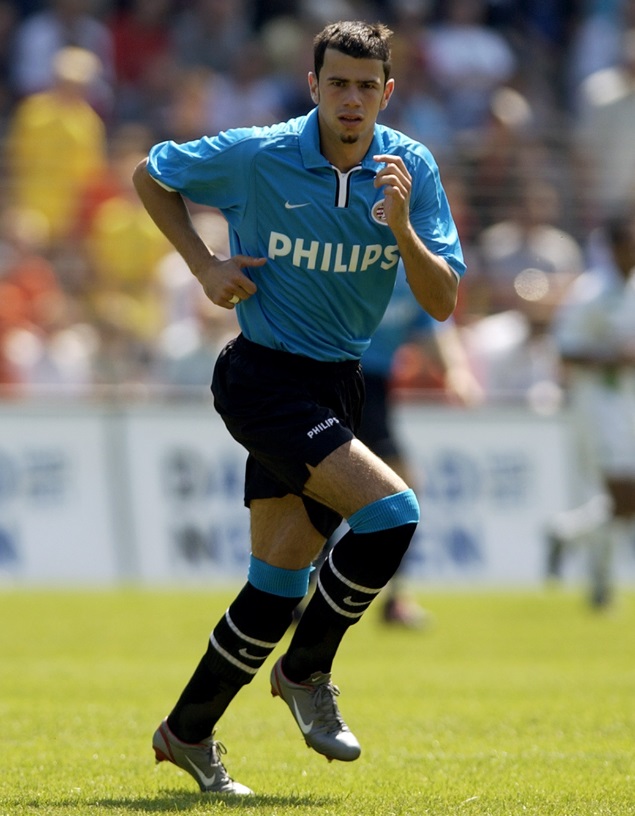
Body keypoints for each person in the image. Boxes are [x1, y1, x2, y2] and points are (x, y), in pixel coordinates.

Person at [133, 20, 465, 796]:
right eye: (336, 83)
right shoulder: (260, 154)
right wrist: (202, 264)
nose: (350, 99)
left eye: (365, 87)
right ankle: (306, 673)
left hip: (338, 383)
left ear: (387, 93)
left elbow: (442, 300)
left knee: (277, 585)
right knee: (392, 514)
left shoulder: (409, 168)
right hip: (262, 377)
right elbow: (152, 173)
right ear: (311, 86)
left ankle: (186, 734)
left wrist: (401, 227)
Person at [548, 214, 635, 607]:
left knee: (619, 499)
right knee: (619, 494)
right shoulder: (591, 292)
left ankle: (567, 534)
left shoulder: (630, 289)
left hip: (624, 403)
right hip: (596, 405)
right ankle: (599, 581)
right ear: (614, 247)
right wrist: (613, 358)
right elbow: (564, 350)